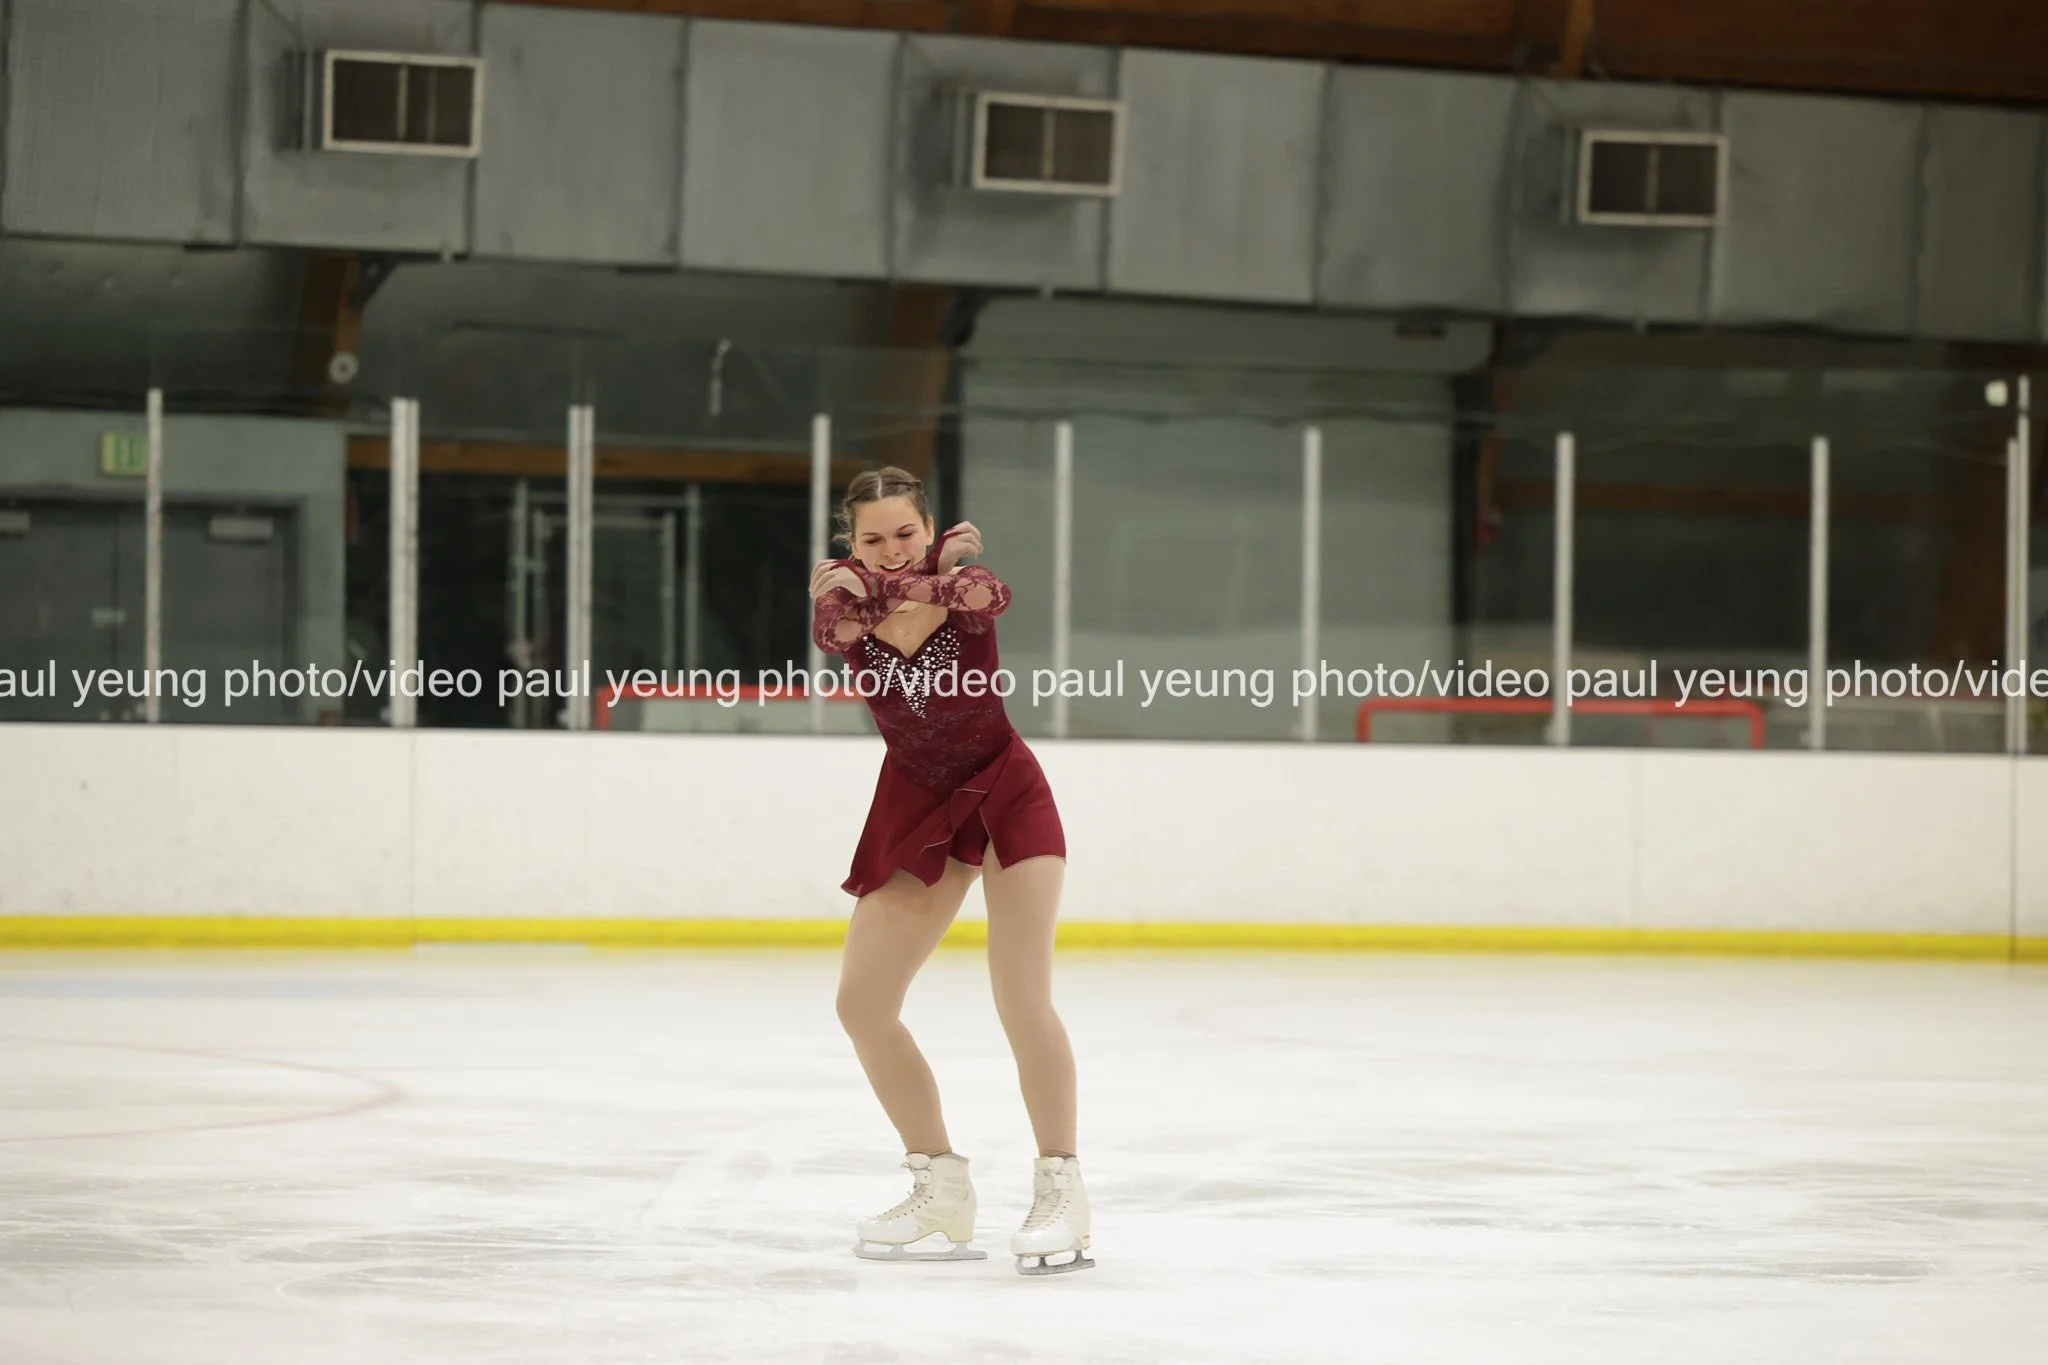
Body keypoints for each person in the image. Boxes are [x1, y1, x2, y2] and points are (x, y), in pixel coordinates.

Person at [808, 466, 1092, 1276]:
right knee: (863, 1003)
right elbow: (837, 633)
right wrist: (884, 583)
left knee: (1021, 996)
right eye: (872, 539)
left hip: (1006, 790)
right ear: (852, 539)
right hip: (918, 800)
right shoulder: (845, 604)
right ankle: (939, 1186)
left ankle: (1062, 1187)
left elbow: (986, 596)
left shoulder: (963, 585)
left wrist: (886, 578)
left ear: (928, 528)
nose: (892, 548)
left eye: (906, 533)